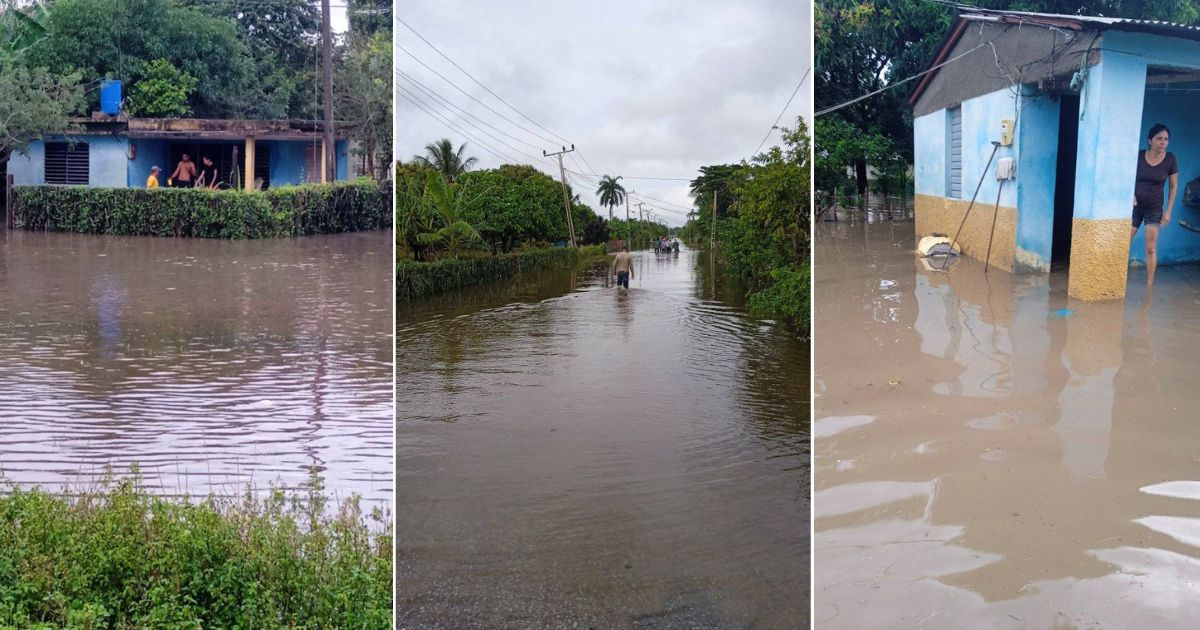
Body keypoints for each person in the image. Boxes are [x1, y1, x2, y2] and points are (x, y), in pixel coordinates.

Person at [1131, 123, 1178, 288]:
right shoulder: (1138, 156)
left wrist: (1168, 211)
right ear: (1150, 140)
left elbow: (1173, 186)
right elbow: (1126, 176)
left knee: (1150, 248)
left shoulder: (1170, 159)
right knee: (1123, 243)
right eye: (1159, 138)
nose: (1163, 142)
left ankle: (1149, 286)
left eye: (1166, 139)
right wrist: (1130, 195)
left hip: (1154, 208)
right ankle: (1114, 279)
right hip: (1134, 208)